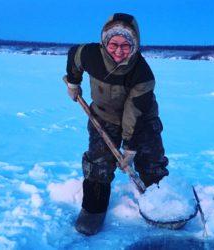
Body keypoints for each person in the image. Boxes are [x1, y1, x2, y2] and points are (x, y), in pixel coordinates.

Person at [64, 13, 169, 236]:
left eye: (125, 45)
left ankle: (163, 203)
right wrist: (73, 81)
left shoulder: (142, 74)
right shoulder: (90, 54)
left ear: (135, 45)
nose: (119, 51)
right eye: (113, 44)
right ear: (105, 43)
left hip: (142, 118)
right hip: (104, 115)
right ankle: (94, 209)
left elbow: (134, 113)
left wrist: (130, 146)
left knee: (151, 162)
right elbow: (75, 56)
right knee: (98, 164)